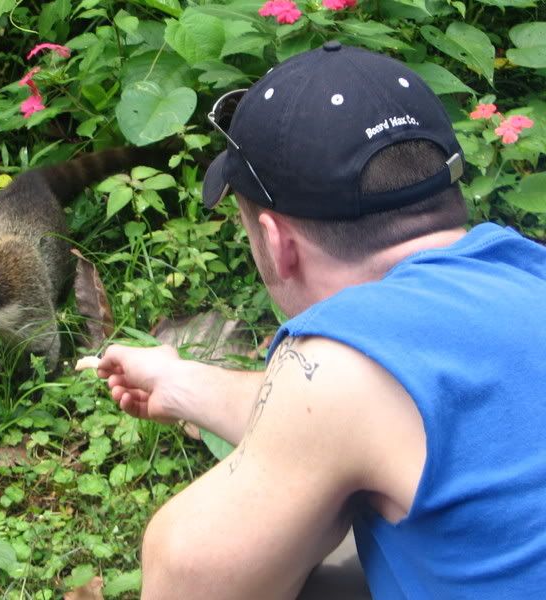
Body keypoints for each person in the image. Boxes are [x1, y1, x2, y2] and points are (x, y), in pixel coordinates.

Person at [97, 42, 546, 599]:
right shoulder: (528, 272)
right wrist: (184, 383)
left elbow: (185, 567)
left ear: (277, 241)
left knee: (307, 541)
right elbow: (360, 422)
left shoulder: (346, 359)